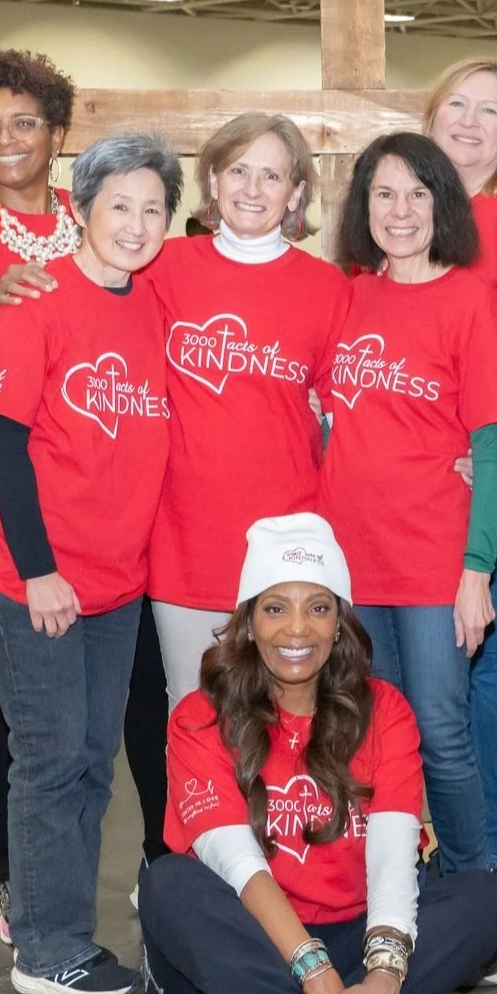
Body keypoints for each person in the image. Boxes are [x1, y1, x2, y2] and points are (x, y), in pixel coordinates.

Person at [0, 49, 171, 945]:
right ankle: (23, 879)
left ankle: (156, 863)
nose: (6, 139)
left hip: (102, 496)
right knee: (19, 695)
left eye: (26, 122)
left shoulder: (105, 210)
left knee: (132, 691)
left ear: (59, 136)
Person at [140, 513, 497, 994]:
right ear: (248, 623)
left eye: (318, 608)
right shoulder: (200, 718)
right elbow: (236, 864)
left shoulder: (384, 712)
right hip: (242, 955)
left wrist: (383, 981)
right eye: (275, 608)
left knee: (483, 898)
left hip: (354, 943)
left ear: (340, 622)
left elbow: (396, 859)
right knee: (168, 884)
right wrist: (314, 973)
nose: (297, 629)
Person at [0, 132, 184, 994]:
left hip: (117, 579)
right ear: (81, 210)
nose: (135, 224)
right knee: (52, 758)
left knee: (94, 755)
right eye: (118, 206)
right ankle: (46, 945)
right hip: (36, 580)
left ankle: (64, 930)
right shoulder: (38, 303)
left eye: (153, 208)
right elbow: (5, 446)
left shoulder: (151, 304)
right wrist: (40, 569)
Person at [320, 132, 497, 885]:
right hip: (354, 558)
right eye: (383, 193)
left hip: (435, 557)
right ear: (363, 205)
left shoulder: (469, 302)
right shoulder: (348, 295)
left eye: (417, 193)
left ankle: (473, 893)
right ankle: (397, 886)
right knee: (374, 732)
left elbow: (492, 446)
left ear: (443, 205)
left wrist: (477, 571)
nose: (400, 210)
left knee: (441, 729)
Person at [144, 114, 351, 701]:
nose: (253, 189)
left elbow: (354, 410)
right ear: (212, 182)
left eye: (271, 175)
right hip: (185, 535)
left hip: (288, 539)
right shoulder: (163, 268)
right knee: (192, 713)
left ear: (296, 193)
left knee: (284, 720)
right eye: (239, 171)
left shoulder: (329, 289)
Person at [420, 60, 497, 898]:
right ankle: (425, 835)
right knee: (416, 672)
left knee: (494, 665)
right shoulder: (403, 205)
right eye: (456, 106)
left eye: (489, 111)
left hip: (495, 464)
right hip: (411, 475)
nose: (470, 122)